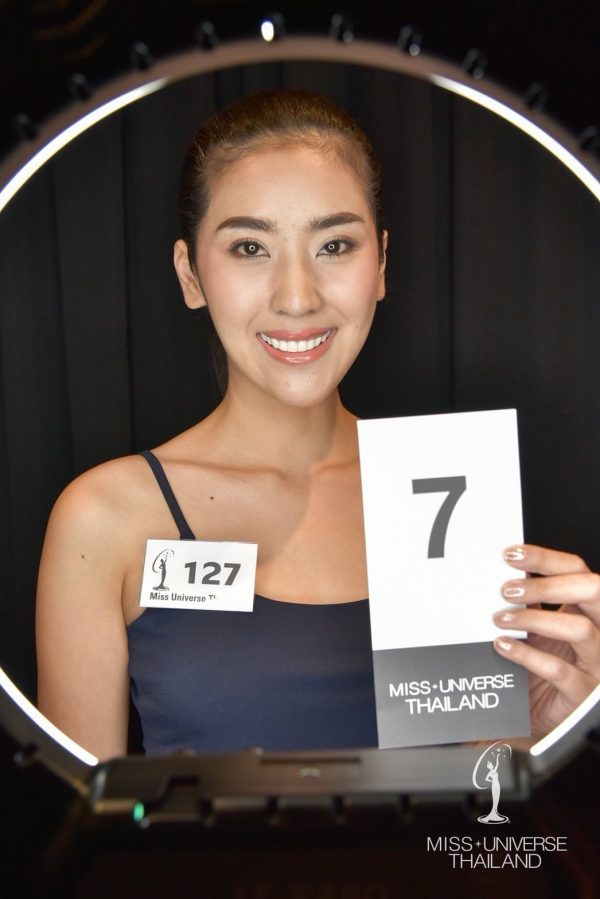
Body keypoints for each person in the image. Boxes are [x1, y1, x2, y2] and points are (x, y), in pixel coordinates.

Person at [35, 89, 600, 761]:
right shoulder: (106, 517)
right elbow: (75, 822)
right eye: (250, 247)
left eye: (334, 245)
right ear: (190, 275)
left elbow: (477, 805)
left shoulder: (449, 488)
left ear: (380, 263)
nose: (297, 297)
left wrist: (541, 738)